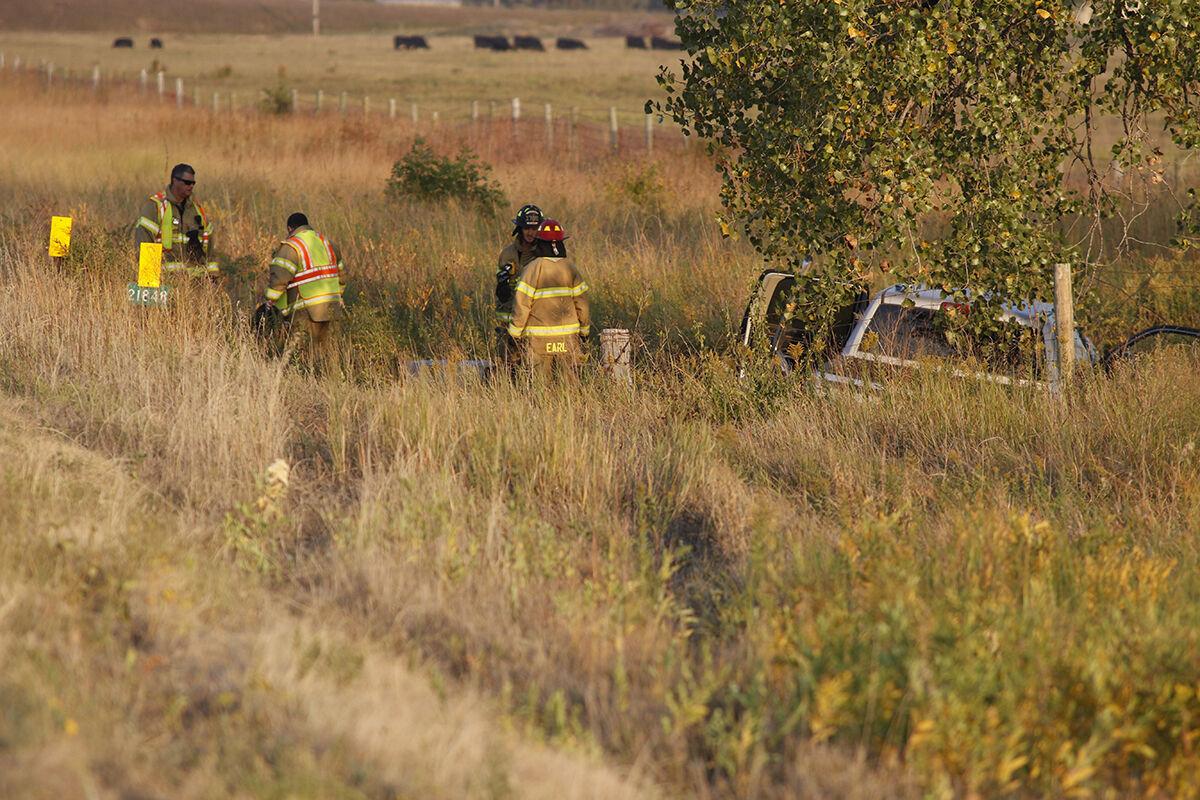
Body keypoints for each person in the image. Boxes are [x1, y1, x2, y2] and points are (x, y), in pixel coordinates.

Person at [256, 212, 347, 368]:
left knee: (301, 353)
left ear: (290, 228)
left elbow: (279, 279)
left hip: (306, 309)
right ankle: (332, 380)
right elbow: (342, 276)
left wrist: (270, 302)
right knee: (328, 353)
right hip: (332, 308)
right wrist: (338, 295)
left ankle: (303, 380)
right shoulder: (328, 243)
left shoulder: (291, 247)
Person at [507, 219, 591, 380]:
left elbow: (522, 304)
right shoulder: (570, 268)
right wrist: (584, 332)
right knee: (570, 385)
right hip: (568, 339)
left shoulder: (532, 268)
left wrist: (515, 334)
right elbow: (582, 303)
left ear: (539, 243)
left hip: (539, 340)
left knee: (540, 386)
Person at [134, 163, 219, 276]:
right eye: (187, 182)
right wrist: (149, 281)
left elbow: (210, 250)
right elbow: (145, 244)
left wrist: (213, 280)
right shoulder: (155, 207)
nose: (191, 186)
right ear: (175, 181)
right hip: (165, 282)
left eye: (193, 183)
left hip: (195, 285)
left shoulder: (198, 210)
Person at [495, 204, 544, 370]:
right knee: (507, 363)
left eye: (535, 228)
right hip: (508, 318)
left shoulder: (544, 254)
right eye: (527, 228)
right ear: (519, 229)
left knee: (532, 364)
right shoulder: (507, 253)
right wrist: (502, 286)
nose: (531, 232)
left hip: (533, 318)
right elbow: (500, 281)